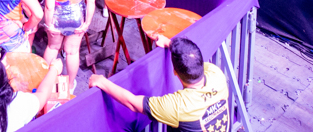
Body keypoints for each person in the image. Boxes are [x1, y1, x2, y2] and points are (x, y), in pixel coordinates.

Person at [89, 36, 230, 132]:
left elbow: (133, 103)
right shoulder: (216, 74)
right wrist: (170, 43)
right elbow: (190, 59)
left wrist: (102, 82)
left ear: (175, 72)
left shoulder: (179, 106)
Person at [41, 0, 95, 89]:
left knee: (52, 48)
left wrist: (48, 25)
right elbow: (91, 2)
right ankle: (70, 85)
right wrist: (87, 23)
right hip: (77, 18)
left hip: (57, 20)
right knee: (72, 52)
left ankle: (48, 84)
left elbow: (49, 7)